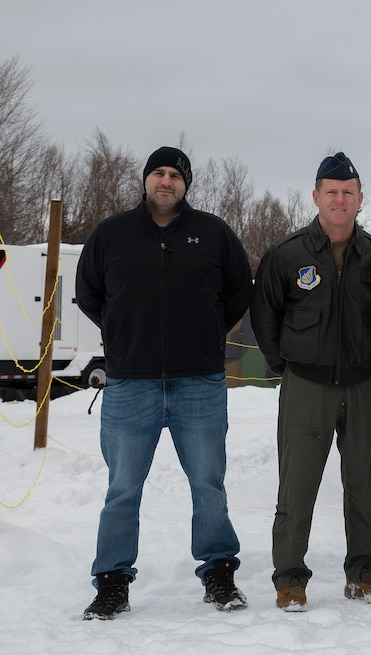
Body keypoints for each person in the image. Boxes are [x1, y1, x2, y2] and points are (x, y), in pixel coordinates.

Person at [75, 146, 253, 620]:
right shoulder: (112, 234)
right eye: (159, 172)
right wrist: (119, 331)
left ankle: (218, 572)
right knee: (123, 487)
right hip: (130, 385)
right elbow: (88, 293)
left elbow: (238, 291)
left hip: (200, 383)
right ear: (146, 179)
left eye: (176, 174)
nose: (167, 181)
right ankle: (112, 581)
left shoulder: (213, 232)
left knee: (208, 484)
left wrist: (210, 331)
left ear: (186, 184)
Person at [250, 152, 371, 612]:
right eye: (331, 192)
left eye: (348, 192)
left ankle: (365, 573)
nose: (339, 199)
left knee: (364, 480)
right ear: (316, 196)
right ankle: (290, 578)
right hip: (306, 386)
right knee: (297, 484)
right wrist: (288, 366)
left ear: (359, 198)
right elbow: (264, 315)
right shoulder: (287, 253)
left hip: (359, 383)